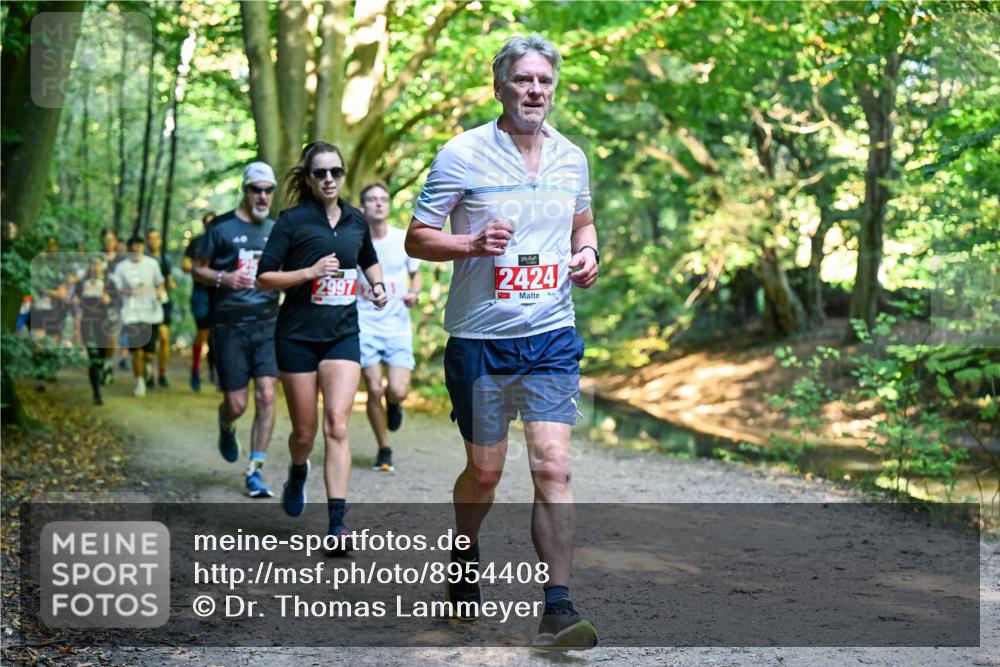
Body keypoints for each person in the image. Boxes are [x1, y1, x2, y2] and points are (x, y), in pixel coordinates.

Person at [404, 35, 600, 650]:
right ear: (500, 87)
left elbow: (583, 222)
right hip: (481, 341)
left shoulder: (572, 157)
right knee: (485, 475)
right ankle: (464, 553)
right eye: (523, 80)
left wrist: (589, 251)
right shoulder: (461, 154)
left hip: (550, 336)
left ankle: (558, 609)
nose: (534, 90)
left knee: (553, 466)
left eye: (544, 80)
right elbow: (416, 237)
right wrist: (468, 244)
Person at [257, 142, 387, 550]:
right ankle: (298, 471)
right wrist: (309, 272)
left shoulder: (355, 220)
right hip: (296, 336)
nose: (329, 179)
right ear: (309, 178)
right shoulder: (292, 220)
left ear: (344, 174)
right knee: (304, 433)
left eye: (336, 172)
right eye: (320, 173)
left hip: (342, 334)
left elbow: (368, 258)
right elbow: (265, 277)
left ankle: (337, 525)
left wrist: (378, 286)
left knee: (337, 423)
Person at [193, 164, 280, 498]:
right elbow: (198, 268)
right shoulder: (220, 227)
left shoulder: (277, 230)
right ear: (245, 191)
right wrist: (222, 278)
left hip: (268, 322)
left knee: (267, 394)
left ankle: (255, 471)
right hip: (228, 324)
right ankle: (226, 424)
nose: (262, 196)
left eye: (268, 190)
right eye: (256, 189)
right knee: (237, 403)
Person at [356, 181, 422, 473]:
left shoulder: (401, 239)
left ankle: (394, 404)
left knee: (397, 390)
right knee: (372, 389)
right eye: (372, 199)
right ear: (363, 207)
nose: (379, 203)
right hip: (364, 324)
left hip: (397, 327)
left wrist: (414, 294)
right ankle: (384, 448)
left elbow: (415, 274)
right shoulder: (354, 242)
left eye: (383, 198)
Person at [110, 236, 165, 397]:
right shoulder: (122, 267)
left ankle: (147, 366)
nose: (136, 250)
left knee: (149, 353)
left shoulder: (152, 264)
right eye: (132, 247)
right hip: (131, 313)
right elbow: (117, 288)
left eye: (138, 247)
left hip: (151, 313)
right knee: (137, 350)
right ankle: (139, 381)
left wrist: (159, 292)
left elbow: (159, 282)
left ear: (142, 247)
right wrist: (130, 291)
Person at [183, 213, 217, 392]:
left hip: (219, 292)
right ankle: (195, 370)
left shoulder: (223, 241)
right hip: (201, 293)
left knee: (216, 334)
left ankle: (214, 370)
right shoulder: (197, 242)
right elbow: (185, 264)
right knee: (202, 333)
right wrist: (200, 268)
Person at [74, 256, 115, 405]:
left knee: (101, 356)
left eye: (98, 264)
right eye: (93, 264)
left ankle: (102, 370)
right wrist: (76, 303)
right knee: (93, 355)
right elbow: (75, 299)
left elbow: (117, 302)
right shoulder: (82, 283)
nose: (95, 267)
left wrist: (109, 301)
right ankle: (96, 393)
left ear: (102, 266)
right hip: (87, 321)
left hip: (103, 322)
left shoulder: (109, 283)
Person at [146, 228, 175, 388]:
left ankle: (162, 373)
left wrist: (169, 283)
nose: (154, 241)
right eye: (151, 238)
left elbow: (169, 279)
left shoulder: (165, 258)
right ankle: (148, 373)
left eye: (156, 238)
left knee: (164, 338)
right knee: (150, 341)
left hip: (163, 302)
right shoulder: (142, 259)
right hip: (146, 304)